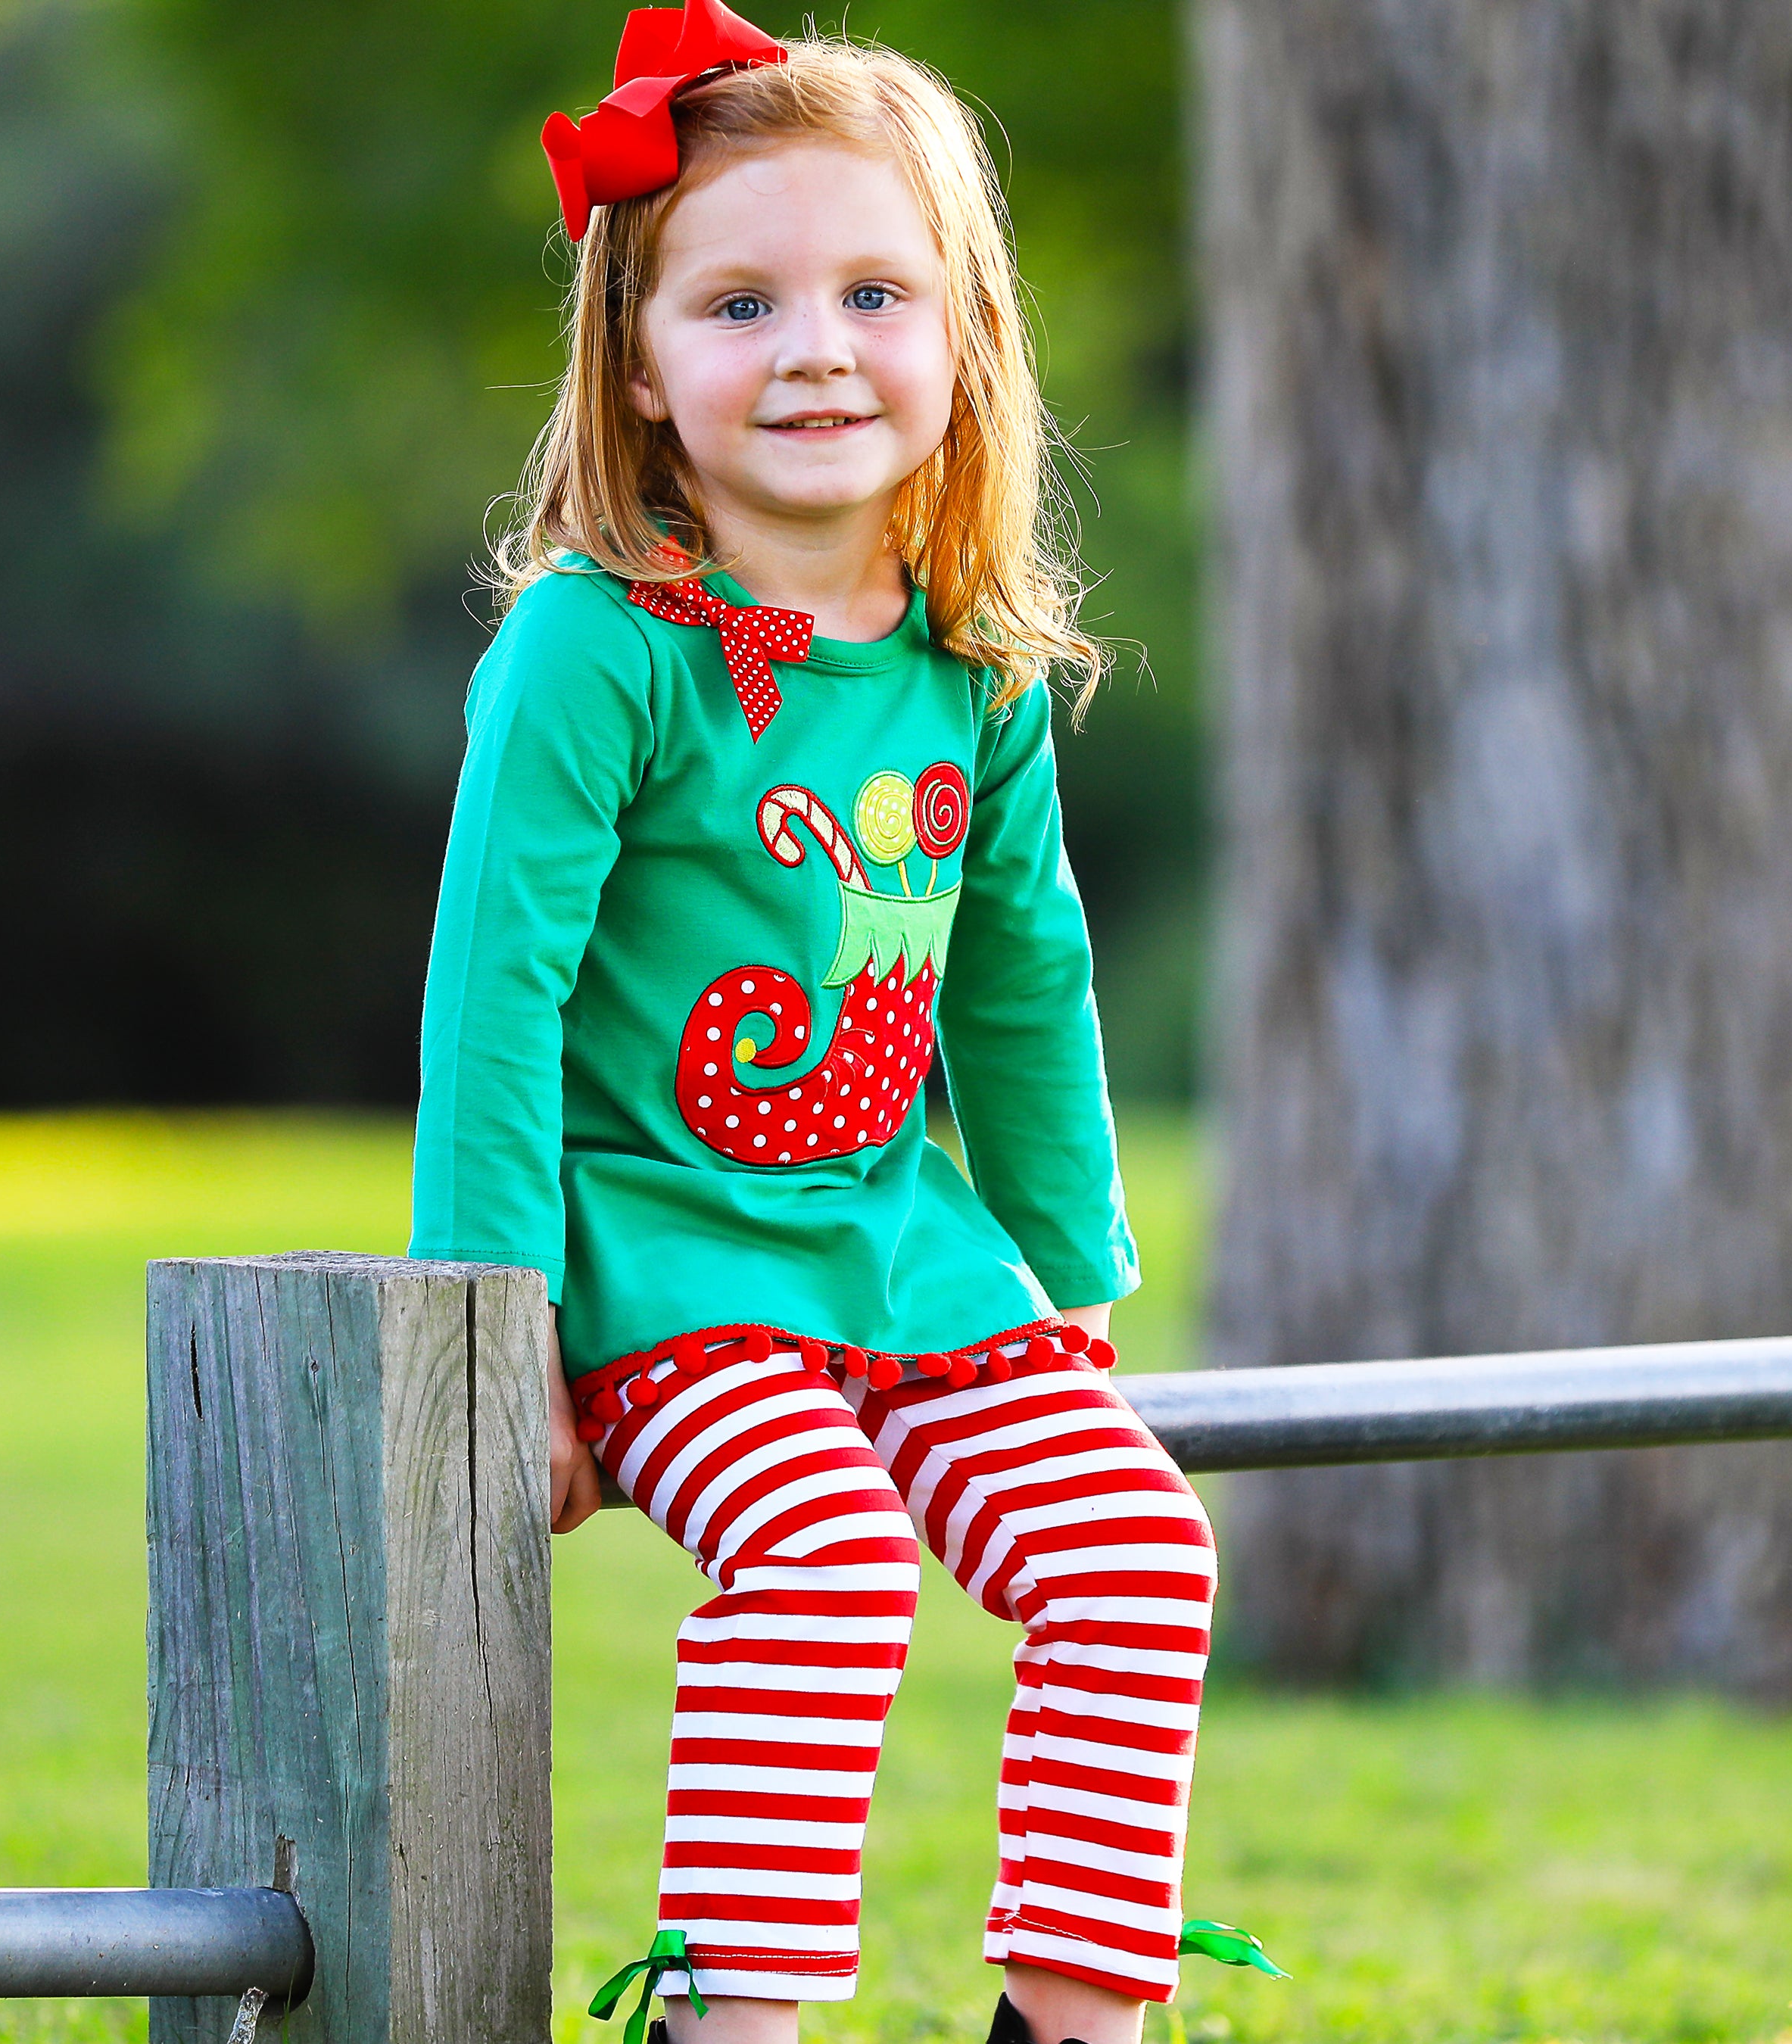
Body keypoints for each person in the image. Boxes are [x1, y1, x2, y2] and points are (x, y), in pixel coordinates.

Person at [411, 5, 1276, 2039]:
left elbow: (1025, 972)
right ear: (637, 363)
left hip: (907, 1247)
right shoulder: (595, 648)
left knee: (1135, 1550)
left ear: (965, 332)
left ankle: (1073, 2021)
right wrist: (495, 1325)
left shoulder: (970, 658)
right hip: (661, 1263)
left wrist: (1063, 1277)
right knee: (827, 1568)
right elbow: (495, 992)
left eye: (873, 291)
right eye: (739, 300)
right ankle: (737, 2020)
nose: (813, 346)